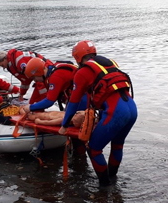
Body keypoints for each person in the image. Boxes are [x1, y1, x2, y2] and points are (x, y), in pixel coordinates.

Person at [59, 40, 138, 187]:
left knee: (94, 149)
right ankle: (113, 179)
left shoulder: (83, 72)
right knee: (117, 145)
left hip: (117, 112)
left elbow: (74, 101)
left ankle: (105, 187)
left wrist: (64, 124)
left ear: (77, 57)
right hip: (132, 109)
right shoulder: (110, 64)